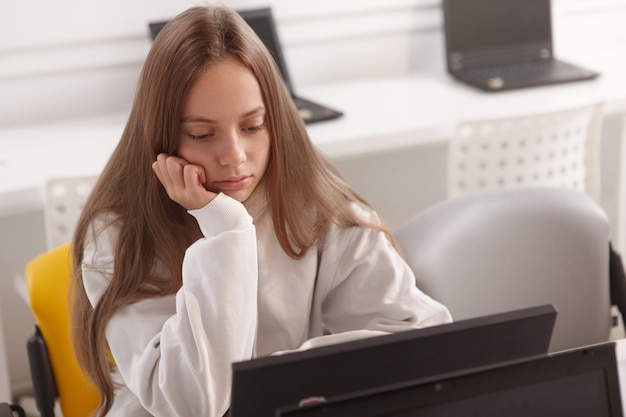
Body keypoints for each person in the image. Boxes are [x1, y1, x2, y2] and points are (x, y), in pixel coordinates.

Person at [70, 5, 452, 417]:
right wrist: (225, 231)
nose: (235, 157)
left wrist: (280, 377)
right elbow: (196, 403)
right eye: (202, 134)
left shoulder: (314, 203)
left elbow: (420, 335)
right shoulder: (116, 235)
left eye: (252, 127)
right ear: (160, 136)